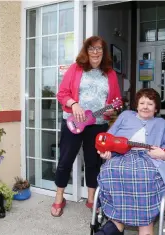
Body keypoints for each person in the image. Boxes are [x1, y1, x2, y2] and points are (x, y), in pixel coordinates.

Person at [96, 88, 165, 235]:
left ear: (156, 108)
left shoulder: (161, 124)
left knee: (144, 176)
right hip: (121, 157)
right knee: (110, 170)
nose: (145, 106)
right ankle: (116, 223)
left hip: (149, 161)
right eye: (142, 103)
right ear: (136, 105)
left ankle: (143, 224)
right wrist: (105, 152)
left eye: (150, 104)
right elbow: (108, 138)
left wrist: (164, 155)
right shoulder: (125, 116)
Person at [51, 36, 121, 217]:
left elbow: (116, 100)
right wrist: (74, 104)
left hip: (97, 124)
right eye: (92, 49)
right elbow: (62, 93)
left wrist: (111, 110)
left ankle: (91, 198)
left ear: (104, 52)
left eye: (99, 49)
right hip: (73, 122)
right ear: (86, 51)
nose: (95, 52)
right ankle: (59, 197)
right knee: (65, 160)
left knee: (93, 162)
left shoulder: (110, 73)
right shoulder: (75, 69)